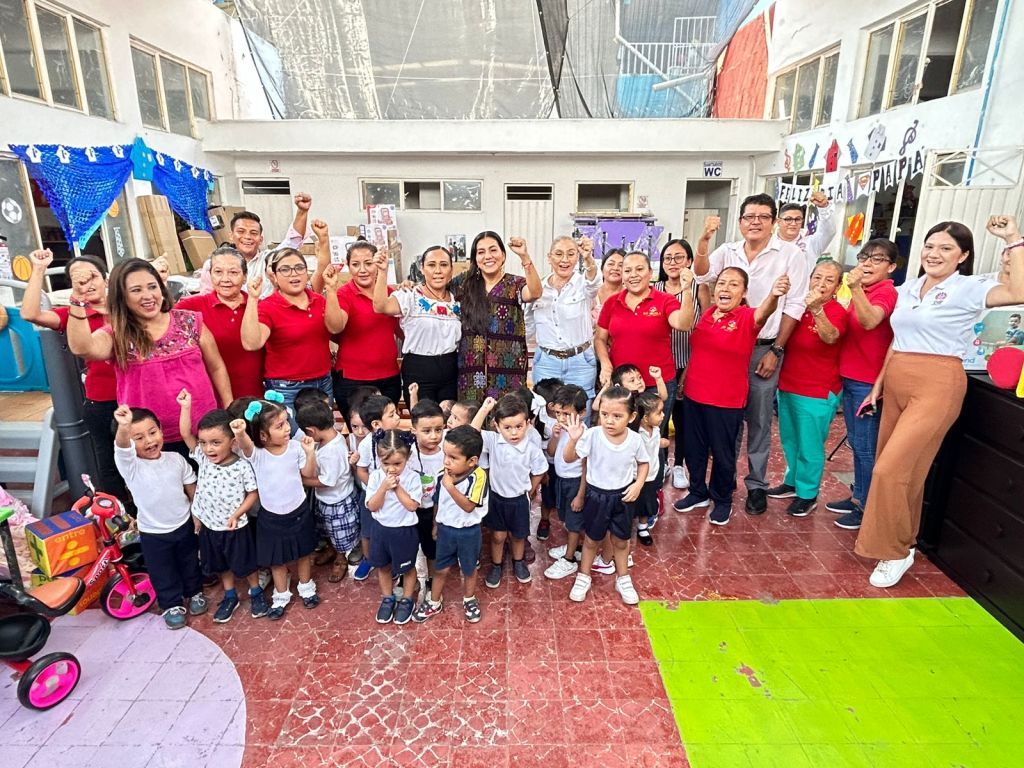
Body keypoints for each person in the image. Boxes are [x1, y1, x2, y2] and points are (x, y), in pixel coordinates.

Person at [855, 217, 1024, 588]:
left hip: (938, 382)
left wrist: (1012, 238)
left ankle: (893, 551)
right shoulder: (909, 288)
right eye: (930, 246)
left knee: (888, 471)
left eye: (946, 248)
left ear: (962, 256)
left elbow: (1018, 291)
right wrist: (878, 385)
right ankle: (905, 542)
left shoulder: (969, 288)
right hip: (897, 378)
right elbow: (897, 339)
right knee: (906, 472)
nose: (934, 253)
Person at [693, 193, 809, 515]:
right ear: (740, 221)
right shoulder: (728, 251)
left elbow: (795, 305)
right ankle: (724, 480)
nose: (755, 222)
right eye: (749, 216)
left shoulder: (791, 255)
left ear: (774, 221)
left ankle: (756, 484)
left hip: (763, 349)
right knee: (727, 420)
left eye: (763, 216)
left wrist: (777, 350)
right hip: (726, 350)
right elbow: (702, 275)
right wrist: (704, 240)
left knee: (758, 420)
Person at [67, 259, 232, 455]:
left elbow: (216, 367)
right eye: (136, 290)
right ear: (122, 297)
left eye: (152, 286)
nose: (147, 295)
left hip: (203, 434)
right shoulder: (117, 334)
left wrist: (228, 409)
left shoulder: (190, 321)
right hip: (149, 443)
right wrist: (78, 299)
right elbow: (83, 347)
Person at [673, 269, 790, 525]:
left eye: (734, 284)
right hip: (694, 394)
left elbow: (765, 312)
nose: (725, 289)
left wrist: (774, 295)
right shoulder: (707, 315)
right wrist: (684, 380)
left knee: (722, 453)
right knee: (694, 449)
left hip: (726, 399)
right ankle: (697, 492)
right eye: (722, 283)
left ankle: (722, 499)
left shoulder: (747, 317)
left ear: (744, 292)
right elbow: (698, 351)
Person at [21, 250, 126, 500]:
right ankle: (120, 515)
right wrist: (38, 269)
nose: (86, 283)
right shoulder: (73, 314)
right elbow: (30, 314)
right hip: (102, 399)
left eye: (91, 276)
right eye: (78, 279)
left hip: (138, 394)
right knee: (109, 464)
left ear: (106, 278)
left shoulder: (126, 307)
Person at [825, 239, 899, 530]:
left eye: (877, 259)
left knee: (866, 447)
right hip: (850, 376)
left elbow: (870, 321)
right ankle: (858, 496)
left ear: (891, 267)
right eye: (864, 257)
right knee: (857, 444)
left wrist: (855, 288)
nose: (867, 264)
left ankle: (867, 507)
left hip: (868, 382)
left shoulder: (886, 292)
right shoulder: (863, 291)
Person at [112, 405, 205, 630]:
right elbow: (122, 448)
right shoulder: (131, 466)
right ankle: (171, 604)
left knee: (190, 562)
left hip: (184, 524)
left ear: (161, 430)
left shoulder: (176, 459)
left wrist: (197, 514)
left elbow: (191, 487)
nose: (149, 441)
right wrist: (124, 427)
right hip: (153, 532)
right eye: (139, 438)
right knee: (162, 570)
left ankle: (195, 593)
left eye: (152, 432)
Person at [176, 392, 265, 622]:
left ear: (232, 442)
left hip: (236, 527)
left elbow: (253, 493)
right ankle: (230, 596)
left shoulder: (242, 466)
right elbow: (185, 433)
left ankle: (256, 592)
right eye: (204, 443)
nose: (208, 449)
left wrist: (237, 513)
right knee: (221, 565)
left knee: (246, 564)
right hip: (210, 526)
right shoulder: (202, 458)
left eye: (216, 443)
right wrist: (186, 407)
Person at [769, 260, 848, 517]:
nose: (821, 284)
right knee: (791, 440)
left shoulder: (836, 311)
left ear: (837, 286)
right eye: (817, 277)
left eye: (829, 280)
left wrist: (817, 310)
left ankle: (808, 494)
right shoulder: (798, 306)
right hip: (789, 384)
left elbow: (830, 336)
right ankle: (793, 482)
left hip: (817, 390)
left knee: (810, 445)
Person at [231, 397, 320, 619]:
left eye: (286, 421)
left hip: (299, 512)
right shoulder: (257, 454)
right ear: (263, 435)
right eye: (280, 426)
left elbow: (308, 473)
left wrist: (310, 453)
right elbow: (245, 445)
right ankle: (281, 595)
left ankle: (306, 587)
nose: (288, 428)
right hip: (271, 517)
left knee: (303, 553)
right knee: (276, 560)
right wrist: (240, 432)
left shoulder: (296, 448)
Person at [562, 386, 649, 605]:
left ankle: (623, 578)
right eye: (604, 414)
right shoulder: (592, 435)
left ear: (631, 417)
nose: (609, 421)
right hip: (596, 496)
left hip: (623, 497)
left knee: (621, 541)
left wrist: (638, 484)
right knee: (591, 540)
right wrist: (573, 439)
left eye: (617, 416)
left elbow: (644, 463)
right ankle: (583, 576)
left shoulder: (635, 440)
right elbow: (569, 458)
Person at [595, 251, 696, 424]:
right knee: (622, 432)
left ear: (650, 273)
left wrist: (686, 290)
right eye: (627, 271)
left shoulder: (665, 300)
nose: (633, 275)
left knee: (653, 434)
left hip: (658, 384)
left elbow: (683, 324)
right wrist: (605, 363)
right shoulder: (612, 302)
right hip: (623, 384)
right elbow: (599, 339)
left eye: (639, 269)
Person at [313, 227, 402, 419]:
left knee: (385, 431)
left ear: (377, 264)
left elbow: (404, 331)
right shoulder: (343, 294)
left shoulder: (390, 293)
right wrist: (331, 290)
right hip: (353, 380)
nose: (362, 270)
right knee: (359, 431)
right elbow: (335, 326)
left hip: (389, 377)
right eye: (355, 264)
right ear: (348, 266)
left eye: (368, 263)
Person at [241, 248, 334, 421]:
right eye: (285, 269)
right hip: (286, 387)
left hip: (322, 381)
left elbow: (336, 328)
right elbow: (252, 343)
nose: (294, 273)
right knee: (290, 434)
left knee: (323, 431)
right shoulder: (267, 306)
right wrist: (252, 299)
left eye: (299, 267)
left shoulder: (319, 301)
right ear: (274, 276)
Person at [413, 425, 489, 624]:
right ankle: (434, 601)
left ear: (472, 461)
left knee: (469, 569)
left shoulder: (478, 477)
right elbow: (438, 501)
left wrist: (450, 487)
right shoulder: (442, 474)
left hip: (469, 532)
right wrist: (435, 524)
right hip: (446, 530)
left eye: (453, 457)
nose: (446, 461)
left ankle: (469, 599)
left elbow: (469, 506)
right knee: (441, 568)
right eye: (445, 455)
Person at [455, 231, 542, 402]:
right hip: (471, 373)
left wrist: (524, 256)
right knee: (472, 415)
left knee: (508, 414)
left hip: (509, 372)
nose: (488, 256)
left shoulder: (515, 284)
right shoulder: (463, 284)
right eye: (481, 252)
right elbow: (436, 290)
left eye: (493, 250)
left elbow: (535, 292)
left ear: (503, 255)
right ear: (475, 259)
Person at [370, 243, 461, 406]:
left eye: (443, 265)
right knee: (423, 418)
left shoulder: (458, 300)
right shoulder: (410, 295)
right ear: (422, 268)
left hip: (451, 370)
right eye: (431, 265)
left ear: (451, 270)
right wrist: (382, 272)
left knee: (450, 419)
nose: (438, 271)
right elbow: (381, 306)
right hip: (419, 370)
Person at [472, 394, 548, 587]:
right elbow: (472, 432)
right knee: (497, 536)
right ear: (497, 426)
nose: (514, 432)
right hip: (497, 499)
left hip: (519, 500)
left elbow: (540, 470)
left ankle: (518, 562)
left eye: (519, 426)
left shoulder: (531, 448)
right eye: (507, 427)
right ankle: (496, 565)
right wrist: (485, 409)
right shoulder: (493, 441)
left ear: (528, 424)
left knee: (518, 535)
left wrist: (531, 489)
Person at [654, 237, 709, 488]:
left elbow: (705, 330)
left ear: (689, 261)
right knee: (659, 417)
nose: (673, 262)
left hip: (689, 362)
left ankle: (678, 465)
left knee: (683, 419)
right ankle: (662, 463)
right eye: (668, 258)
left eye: (679, 257)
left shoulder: (699, 289)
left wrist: (689, 370)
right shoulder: (654, 289)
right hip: (659, 366)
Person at [177, 246, 265, 399]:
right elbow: (159, 319)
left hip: (256, 396)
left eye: (233, 272)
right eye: (218, 272)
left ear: (245, 277)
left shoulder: (260, 306)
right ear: (210, 275)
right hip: (210, 397)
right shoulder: (192, 307)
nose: (225, 279)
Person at [529, 235, 600, 404]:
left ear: (577, 257)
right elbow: (528, 325)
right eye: (559, 254)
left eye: (571, 254)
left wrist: (588, 258)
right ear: (549, 258)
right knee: (545, 411)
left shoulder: (583, 284)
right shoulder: (538, 288)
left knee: (580, 412)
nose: (565, 260)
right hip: (546, 362)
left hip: (580, 362)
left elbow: (594, 283)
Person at [199, 194, 313, 299]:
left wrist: (302, 211)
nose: (247, 237)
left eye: (253, 233)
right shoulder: (213, 264)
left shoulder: (270, 260)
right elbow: (206, 298)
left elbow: (293, 241)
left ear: (261, 239)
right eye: (241, 231)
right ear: (231, 236)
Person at [297, 399, 360, 584]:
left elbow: (327, 481)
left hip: (337, 501)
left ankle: (341, 559)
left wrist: (301, 480)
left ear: (311, 431)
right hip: (326, 499)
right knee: (327, 530)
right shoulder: (332, 437)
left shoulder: (331, 451)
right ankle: (332, 550)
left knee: (339, 534)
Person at [364, 430, 422, 625]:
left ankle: (407, 599)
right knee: (383, 566)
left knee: (408, 568)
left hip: (404, 531)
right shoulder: (375, 477)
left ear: (407, 457)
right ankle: (387, 597)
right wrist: (383, 488)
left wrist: (397, 487)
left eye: (397, 463)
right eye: (386, 463)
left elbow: (412, 506)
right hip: (381, 530)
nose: (391, 469)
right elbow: (372, 506)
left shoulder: (412, 478)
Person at [543, 384, 589, 580]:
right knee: (567, 518)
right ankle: (575, 547)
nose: (561, 418)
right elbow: (551, 452)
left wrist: (580, 495)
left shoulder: (583, 434)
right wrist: (555, 436)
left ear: (582, 413)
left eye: (567, 414)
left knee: (574, 522)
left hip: (576, 483)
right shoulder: (561, 429)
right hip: (561, 480)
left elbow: (586, 468)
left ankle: (569, 559)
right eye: (558, 413)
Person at [409, 399, 447, 594]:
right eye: (426, 431)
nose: (434, 436)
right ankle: (410, 580)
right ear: (414, 430)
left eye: (438, 430)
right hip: (411, 510)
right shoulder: (407, 454)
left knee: (432, 548)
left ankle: (432, 579)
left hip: (435, 511)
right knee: (409, 547)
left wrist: (437, 521)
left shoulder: (447, 453)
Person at [633, 390, 667, 546]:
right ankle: (625, 526)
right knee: (632, 502)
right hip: (636, 476)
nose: (663, 415)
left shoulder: (656, 429)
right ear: (646, 418)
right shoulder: (636, 435)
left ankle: (643, 527)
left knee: (647, 503)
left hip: (652, 474)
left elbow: (653, 445)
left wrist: (660, 442)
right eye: (659, 413)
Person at [776, 190, 839, 267]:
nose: (793, 223)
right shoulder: (768, 242)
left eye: (798, 219)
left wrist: (823, 208)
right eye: (788, 219)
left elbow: (828, 232)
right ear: (778, 221)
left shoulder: (811, 243)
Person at [592, 248, 625, 325]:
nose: (615, 268)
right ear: (602, 268)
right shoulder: (591, 294)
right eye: (611, 264)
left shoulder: (631, 297)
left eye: (621, 265)